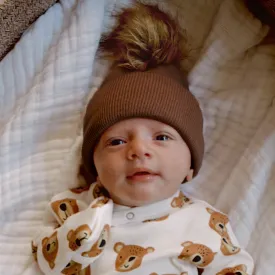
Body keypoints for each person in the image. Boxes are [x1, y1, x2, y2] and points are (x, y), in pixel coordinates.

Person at [32, 3, 254, 275]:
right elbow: (47, 259)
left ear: (190, 167)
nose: (138, 150)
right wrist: (84, 229)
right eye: (116, 142)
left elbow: (235, 267)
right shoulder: (78, 207)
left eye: (161, 137)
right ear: (94, 165)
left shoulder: (203, 222)